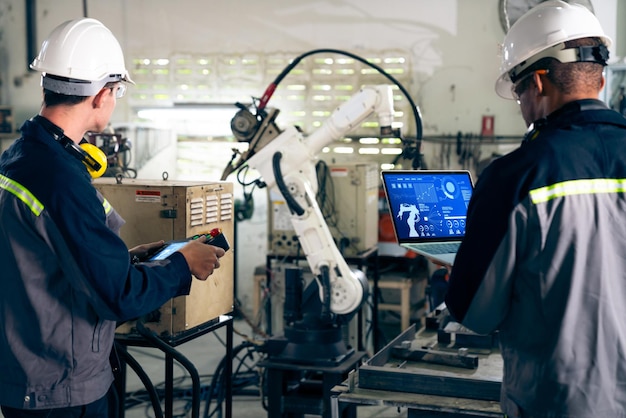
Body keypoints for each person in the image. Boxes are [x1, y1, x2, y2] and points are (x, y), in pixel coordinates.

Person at [0, 18, 225, 417]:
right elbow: (118, 297)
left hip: (25, 373)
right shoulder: (62, 180)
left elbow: (45, 261)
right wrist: (183, 263)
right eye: (119, 91)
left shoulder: (19, 159)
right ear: (104, 94)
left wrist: (129, 257)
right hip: (61, 389)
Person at [445, 1, 626, 417]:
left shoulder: (516, 176)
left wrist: (456, 278)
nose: (521, 105)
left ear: (538, 83)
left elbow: (475, 312)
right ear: (598, 78)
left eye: (519, 91)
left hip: (558, 402)